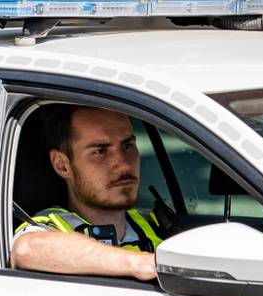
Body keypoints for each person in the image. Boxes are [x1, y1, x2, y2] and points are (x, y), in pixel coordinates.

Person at [11, 105, 163, 281]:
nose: (123, 164)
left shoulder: (153, 225)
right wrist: (141, 264)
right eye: (100, 151)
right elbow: (26, 249)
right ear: (62, 165)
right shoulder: (49, 226)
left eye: (127, 145)